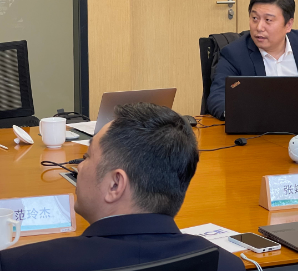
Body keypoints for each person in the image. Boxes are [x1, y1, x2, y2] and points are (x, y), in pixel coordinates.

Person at [0, 103, 245, 271]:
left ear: (115, 184)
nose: (79, 167)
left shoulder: (22, 264)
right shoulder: (225, 264)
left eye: (86, 157)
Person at [207, 0, 298, 119]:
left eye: (268, 20)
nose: (259, 27)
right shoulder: (234, 54)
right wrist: (238, 116)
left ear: (288, 24)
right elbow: (218, 96)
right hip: (257, 127)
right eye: (254, 18)